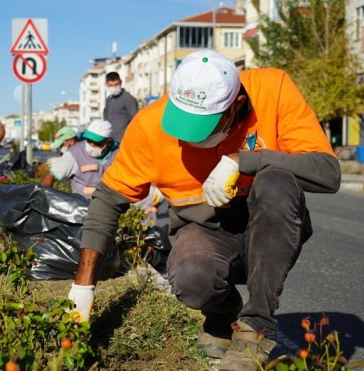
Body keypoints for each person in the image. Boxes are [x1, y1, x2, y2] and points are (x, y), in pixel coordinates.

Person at [68, 50, 341, 371]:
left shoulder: (272, 88)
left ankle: (255, 327)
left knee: (276, 180)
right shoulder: (150, 125)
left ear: (236, 106)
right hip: (206, 229)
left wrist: (246, 159)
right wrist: (82, 290)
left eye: (203, 126)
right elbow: (107, 201)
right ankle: (225, 311)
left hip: (269, 225)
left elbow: (328, 172)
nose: (186, 136)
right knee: (190, 280)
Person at [40, 120, 118, 200]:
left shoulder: (118, 153)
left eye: (96, 142)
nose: (91, 145)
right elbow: (51, 175)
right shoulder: (74, 154)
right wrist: (42, 199)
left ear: (108, 140)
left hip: (113, 204)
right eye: (89, 140)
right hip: (83, 205)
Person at [102, 71, 138, 143]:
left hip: (123, 140)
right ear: (106, 85)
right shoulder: (108, 100)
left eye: (116, 84)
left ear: (121, 82)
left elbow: (135, 120)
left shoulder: (128, 99)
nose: (114, 87)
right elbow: (106, 118)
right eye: (111, 85)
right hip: (109, 140)